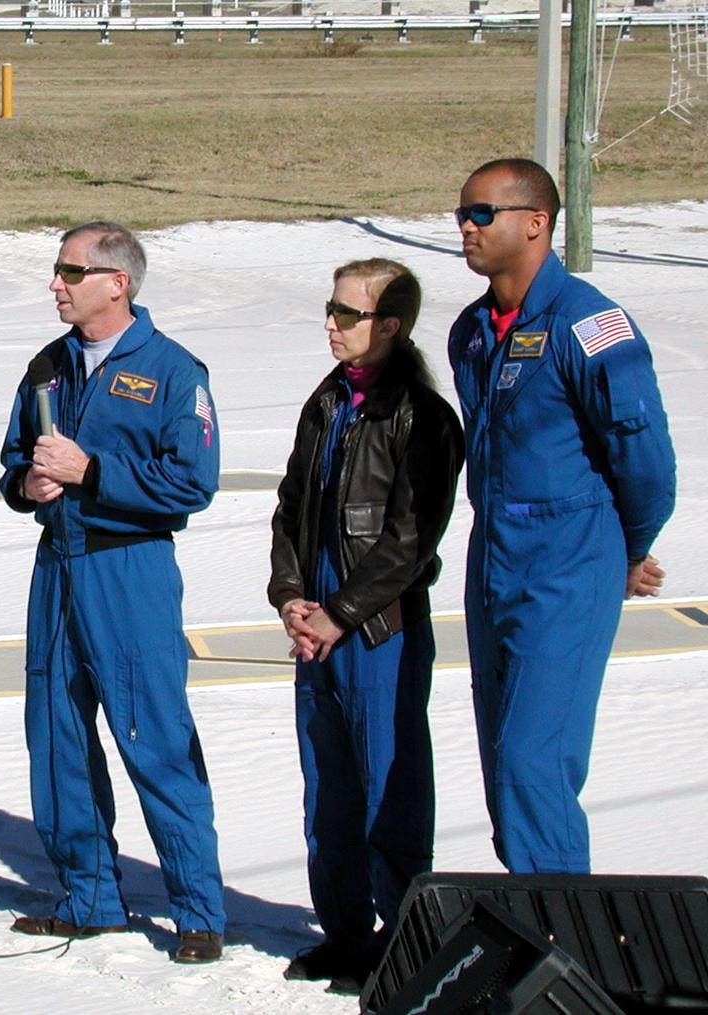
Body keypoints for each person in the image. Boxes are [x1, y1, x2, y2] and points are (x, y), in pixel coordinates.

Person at [0, 221, 226, 964]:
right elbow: (14, 460)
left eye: (71, 270)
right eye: (56, 269)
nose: (56, 283)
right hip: (56, 566)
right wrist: (26, 484)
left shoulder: (172, 371)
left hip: (129, 570)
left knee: (153, 738)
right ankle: (89, 897)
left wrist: (93, 472)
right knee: (57, 739)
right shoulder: (47, 367)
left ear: (117, 282)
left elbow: (190, 484)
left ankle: (197, 910)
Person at [449, 158, 675, 874]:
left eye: (482, 213)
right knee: (500, 761)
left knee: (533, 759)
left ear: (536, 222)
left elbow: (646, 462)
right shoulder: (472, 332)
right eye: (462, 212)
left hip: (568, 565)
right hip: (494, 563)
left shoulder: (591, 323)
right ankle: (530, 916)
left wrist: (622, 550)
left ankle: (561, 940)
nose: (465, 227)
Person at [268, 259, 464, 992]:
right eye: (330, 308)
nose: (331, 323)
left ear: (391, 325)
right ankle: (345, 931)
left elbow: (412, 539)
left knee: (391, 788)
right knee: (330, 787)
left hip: (378, 631)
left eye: (347, 314)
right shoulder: (327, 402)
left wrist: (340, 614)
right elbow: (291, 506)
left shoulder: (421, 415)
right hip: (315, 627)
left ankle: (406, 939)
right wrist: (291, 594)